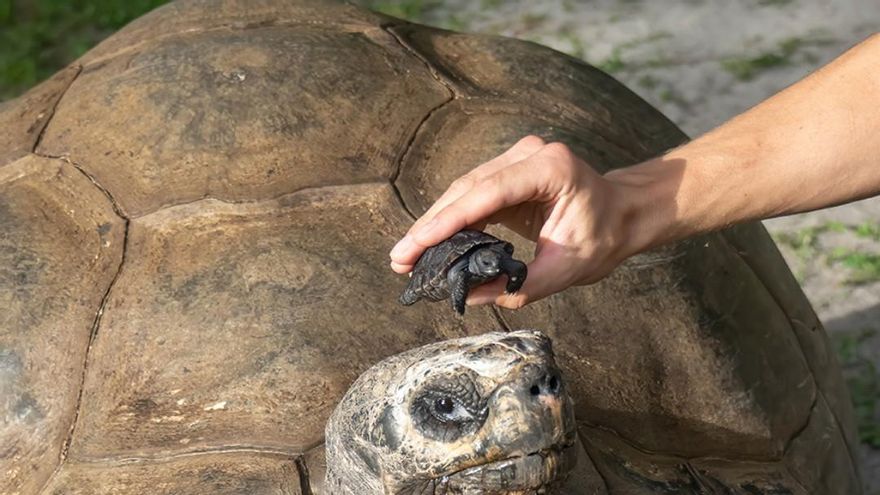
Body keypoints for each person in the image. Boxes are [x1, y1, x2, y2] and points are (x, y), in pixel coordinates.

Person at [389, 33, 880, 310]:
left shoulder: (495, 260)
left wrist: (626, 210)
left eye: (494, 262)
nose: (497, 264)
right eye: (492, 264)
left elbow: (507, 267)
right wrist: (624, 208)